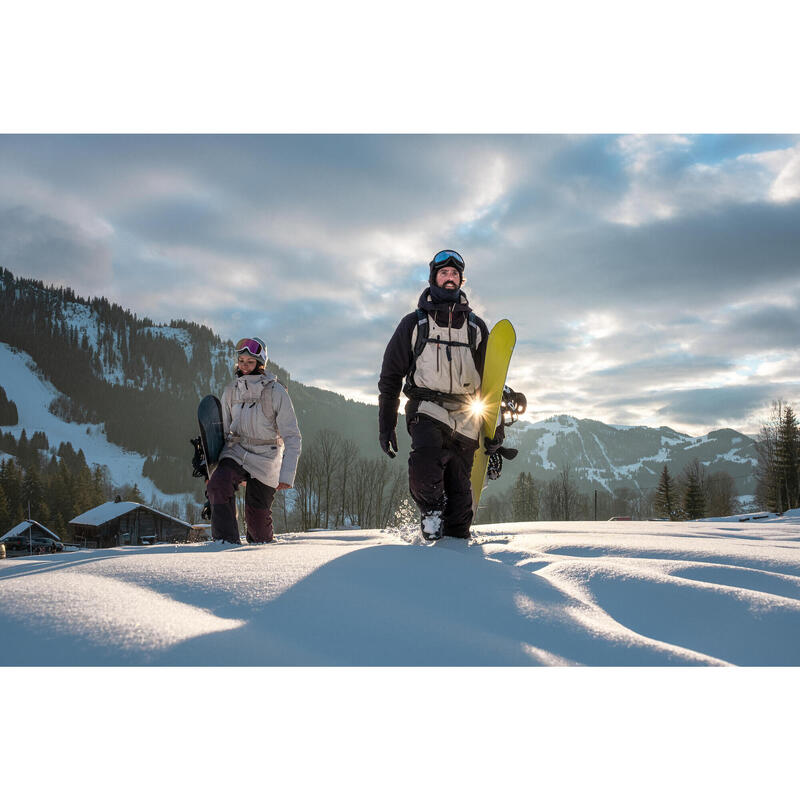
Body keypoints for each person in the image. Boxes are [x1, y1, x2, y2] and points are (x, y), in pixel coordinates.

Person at [378, 250, 490, 540]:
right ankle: (431, 514)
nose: (450, 278)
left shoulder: (476, 328)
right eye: (444, 273)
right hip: (426, 408)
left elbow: (490, 385)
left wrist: (495, 434)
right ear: (433, 278)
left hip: (466, 414)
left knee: (460, 508)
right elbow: (390, 378)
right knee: (426, 464)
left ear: (461, 280)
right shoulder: (414, 324)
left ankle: (452, 551)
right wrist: (386, 424)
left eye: (455, 274)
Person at [206, 336, 302, 544]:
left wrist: (287, 474)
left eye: (250, 362)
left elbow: (292, 437)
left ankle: (261, 548)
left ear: (261, 364)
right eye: (241, 361)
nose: (245, 366)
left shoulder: (276, 392)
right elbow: (221, 431)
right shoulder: (231, 390)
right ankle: (224, 543)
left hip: (267, 456)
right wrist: (212, 468)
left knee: (257, 524)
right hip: (237, 449)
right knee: (218, 485)